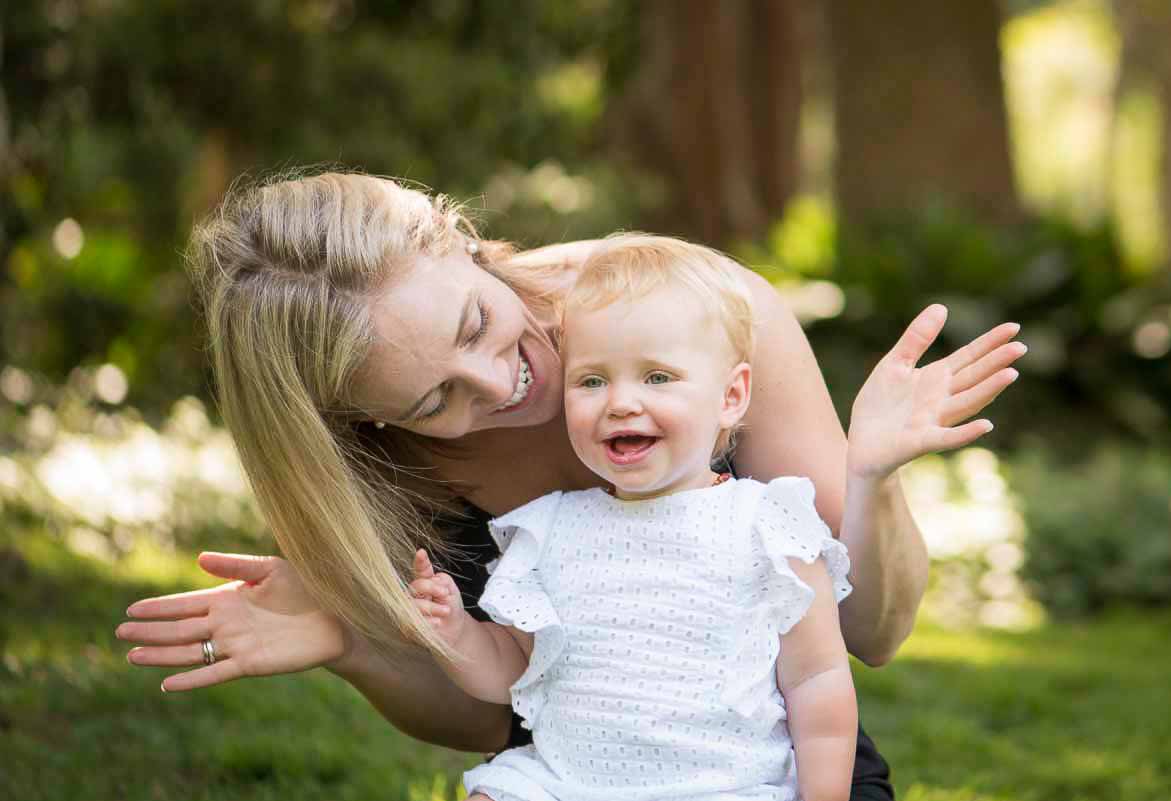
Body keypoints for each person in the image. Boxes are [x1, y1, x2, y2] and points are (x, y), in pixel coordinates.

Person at [115, 172, 1025, 799]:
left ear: (462, 242)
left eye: (478, 322)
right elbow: (494, 715)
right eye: (437, 398)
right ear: (370, 420)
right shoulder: (381, 458)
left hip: (760, 766)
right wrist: (353, 640)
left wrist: (872, 475)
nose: (498, 384)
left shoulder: (685, 308)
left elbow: (874, 632)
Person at [410, 235, 858, 801]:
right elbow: (512, 671)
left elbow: (817, 679)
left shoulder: (766, 524)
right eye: (592, 381)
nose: (620, 401)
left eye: (657, 377)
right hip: (565, 781)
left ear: (731, 395)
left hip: (722, 784)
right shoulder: (548, 531)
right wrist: (457, 633)